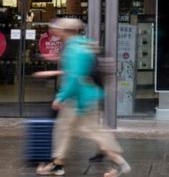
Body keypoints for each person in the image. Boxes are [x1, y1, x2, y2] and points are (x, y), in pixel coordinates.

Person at [36, 18, 131, 177]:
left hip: (79, 99)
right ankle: (57, 164)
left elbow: (75, 76)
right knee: (66, 129)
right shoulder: (83, 44)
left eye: (58, 30)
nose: (55, 32)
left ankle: (120, 163)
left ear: (66, 32)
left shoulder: (74, 49)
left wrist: (60, 97)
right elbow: (77, 71)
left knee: (91, 132)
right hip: (86, 95)